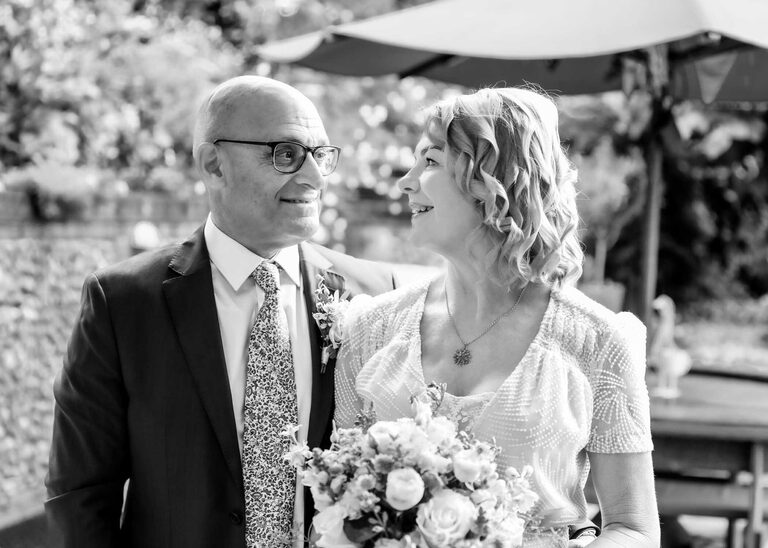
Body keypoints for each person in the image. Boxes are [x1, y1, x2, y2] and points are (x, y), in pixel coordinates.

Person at [45, 75, 397, 548]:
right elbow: (80, 492)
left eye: (321, 155)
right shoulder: (122, 302)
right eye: (286, 153)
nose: (313, 177)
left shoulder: (373, 295)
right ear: (214, 164)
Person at [334, 87, 660, 547]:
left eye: (429, 161)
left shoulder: (599, 341)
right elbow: (337, 503)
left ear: (493, 180)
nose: (404, 182)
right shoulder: (371, 330)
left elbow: (633, 528)